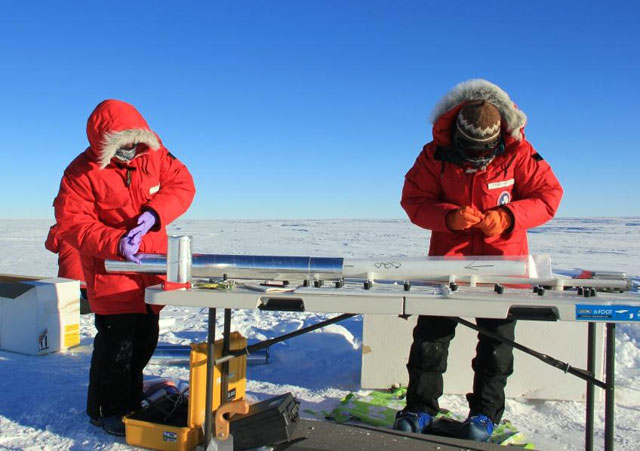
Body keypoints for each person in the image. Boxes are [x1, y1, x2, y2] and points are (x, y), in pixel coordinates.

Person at [395, 79, 563, 441]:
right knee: (430, 339)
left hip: (505, 266)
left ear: (498, 138)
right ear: (456, 134)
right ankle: (419, 408)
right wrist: (448, 217)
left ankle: (485, 415)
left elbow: (549, 195)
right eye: (468, 150)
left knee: (496, 345)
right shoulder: (433, 155)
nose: (475, 158)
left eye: (483, 152)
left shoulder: (520, 153)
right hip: (447, 266)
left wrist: (508, 217)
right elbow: (414, 200)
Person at [52, 99, 196, 436]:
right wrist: (115, 242)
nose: (130, 149)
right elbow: (73, 224)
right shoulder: (80, 173)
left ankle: (129, 399)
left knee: (145, 338)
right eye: (121, 144)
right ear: (104, 142)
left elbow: (183, 184)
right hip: (111, 270)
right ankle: (108, 410)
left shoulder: (156, 154)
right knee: (118, 345)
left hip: (152, 267)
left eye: (133, 141)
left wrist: (154, 214)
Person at [45, 223, 91, 313]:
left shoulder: (59, 228)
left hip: (67, 276)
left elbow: (51, 246)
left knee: (67, 308)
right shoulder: (93, 225)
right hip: (90, 277)